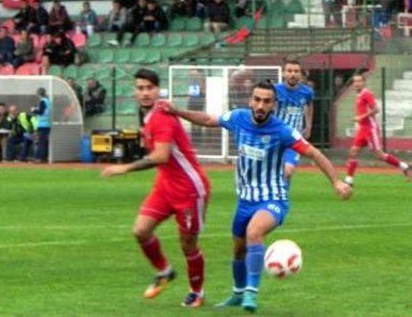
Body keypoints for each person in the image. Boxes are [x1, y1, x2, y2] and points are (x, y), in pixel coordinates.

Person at [158, 80, 352, 312]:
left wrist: (336, 181)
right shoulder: (239, 118)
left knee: (254, 232)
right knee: (238, 249)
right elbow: (209, 119)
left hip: (273, 198)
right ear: (251, 100)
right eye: (257, 100)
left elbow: (315, 154)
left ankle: (251, 293)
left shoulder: (282, 131)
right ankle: (238, 294)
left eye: (267, 101)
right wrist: (177, 111)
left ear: (274, 105)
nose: (261, 105)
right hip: (245, 200)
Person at [101, 69, 211, 308]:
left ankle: (197, 292)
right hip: (165, 186)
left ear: (158, 90)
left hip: (188, 189)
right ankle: (165, 271)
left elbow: (161, 156)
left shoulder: (161, 116)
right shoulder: (149, 115)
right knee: (141, 230)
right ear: (135, 92)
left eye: (149, 88)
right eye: (140, 88)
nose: (144, 93)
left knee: (188, 244)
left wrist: (124, 169)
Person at [344, 73, 412, 185]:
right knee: (353, 152)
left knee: (380, 155)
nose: (356, 84)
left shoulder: (367, 94)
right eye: (354, 81)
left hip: (370, 129)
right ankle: (349, 180)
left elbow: (376, 109)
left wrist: (361, 117)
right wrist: (359, 123)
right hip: (363, 129)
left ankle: (405, 167)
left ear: (363, 82)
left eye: (359, 81)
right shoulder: (359, 95)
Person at [274, 60, 314, 182]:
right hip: (276, 136)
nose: (293, 74)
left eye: (296, 71)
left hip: (294, 137)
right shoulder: (275, 90)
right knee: (273, 170)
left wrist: (308, 125)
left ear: (300, 74)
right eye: (289, 71)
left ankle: (282, 197)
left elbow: (310, 106)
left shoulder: (307, 92)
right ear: (284, 74)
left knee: (288, 170)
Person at [31, 88, 51, 163]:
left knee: (41, 142)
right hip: (47, 124)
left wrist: (34, 110)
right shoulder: (48, 101)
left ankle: (38, 158)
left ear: (38, 94)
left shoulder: (42, 101)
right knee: (44, 142)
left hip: (43, 124)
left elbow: (41, 112)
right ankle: (43, 158)